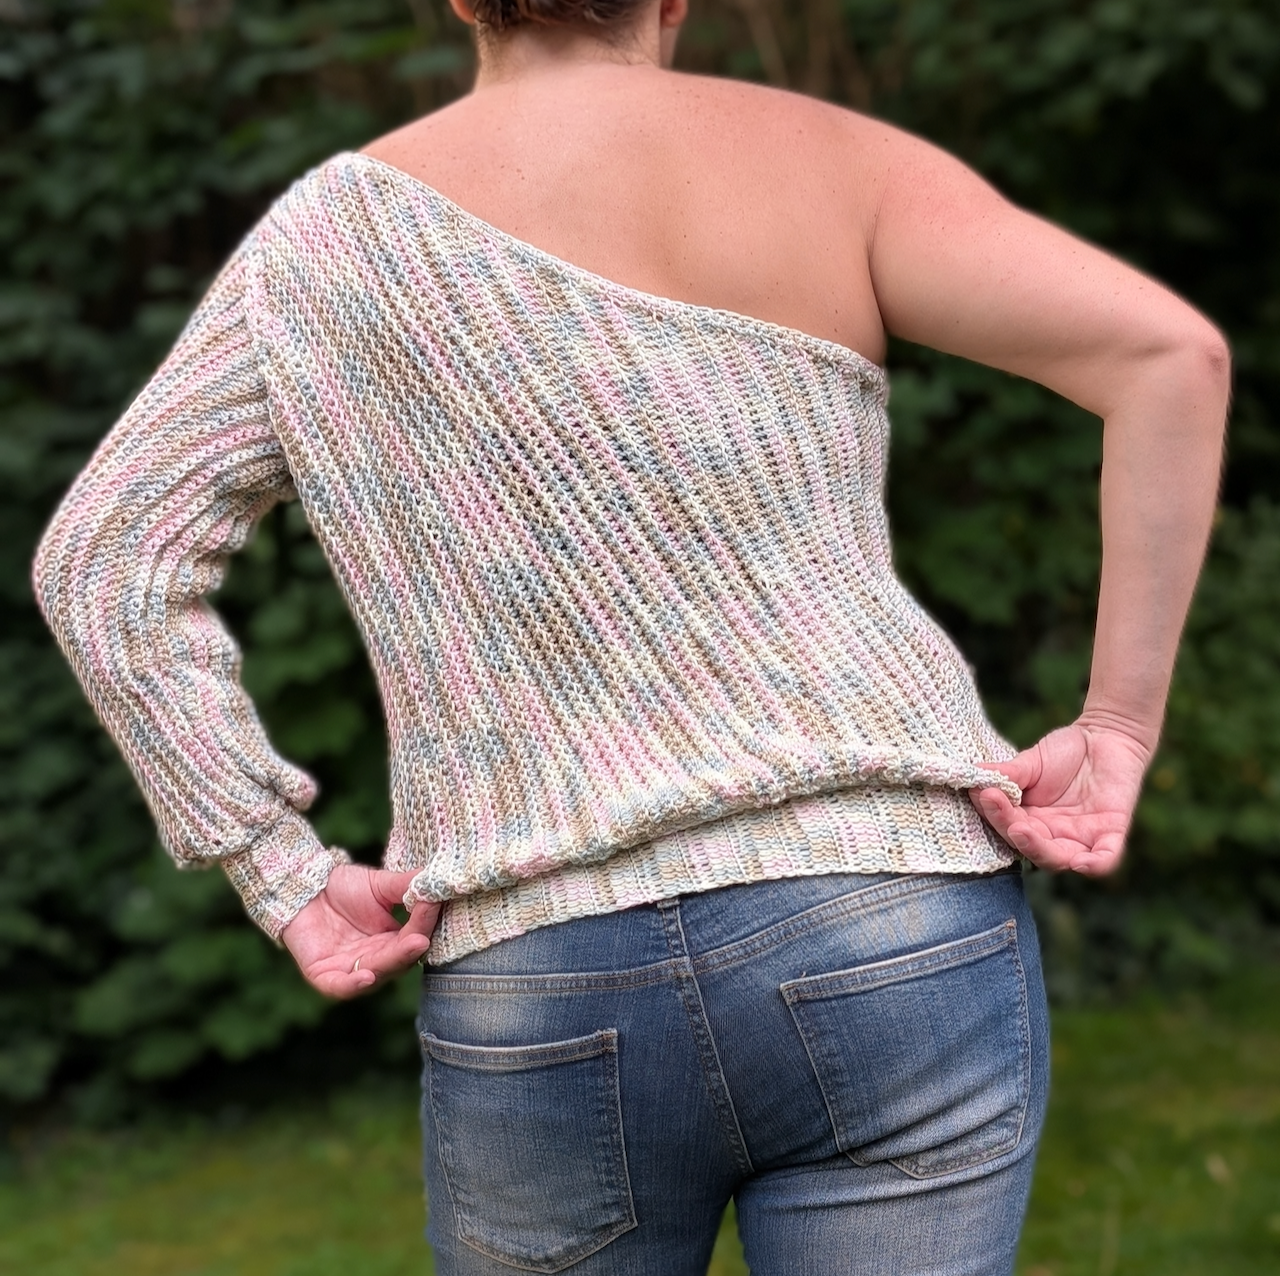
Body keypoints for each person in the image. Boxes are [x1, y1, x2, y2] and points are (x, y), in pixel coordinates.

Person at [32, 0, 1229, 1272]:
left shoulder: (321, 249)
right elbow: (1168, 356)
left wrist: (278, 867)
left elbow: (103, 563)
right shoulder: (825, 162)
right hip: (882, 912)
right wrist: (1114, 724)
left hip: (538, 967)